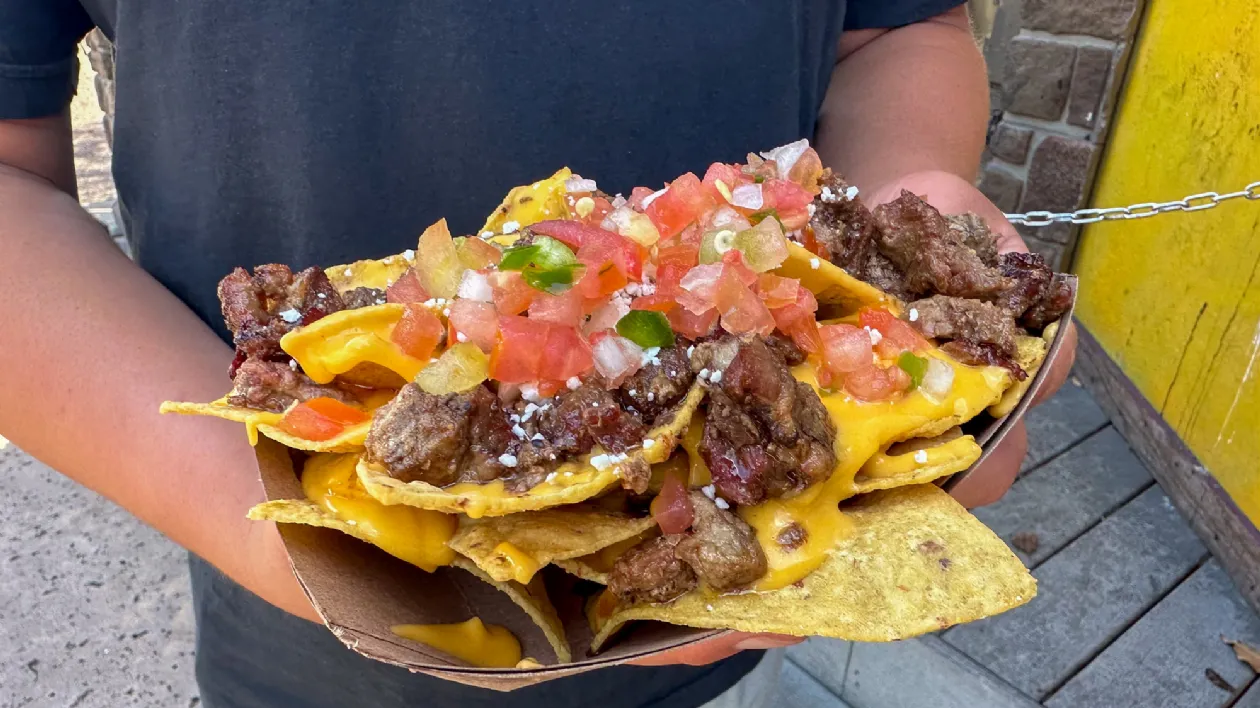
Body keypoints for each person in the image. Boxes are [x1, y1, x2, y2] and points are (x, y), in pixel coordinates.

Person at [0, 1, 1075, 706]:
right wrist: (300, 533)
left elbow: (896, 29)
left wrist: (907, 206)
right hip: (309, 655)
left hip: (751, 628)